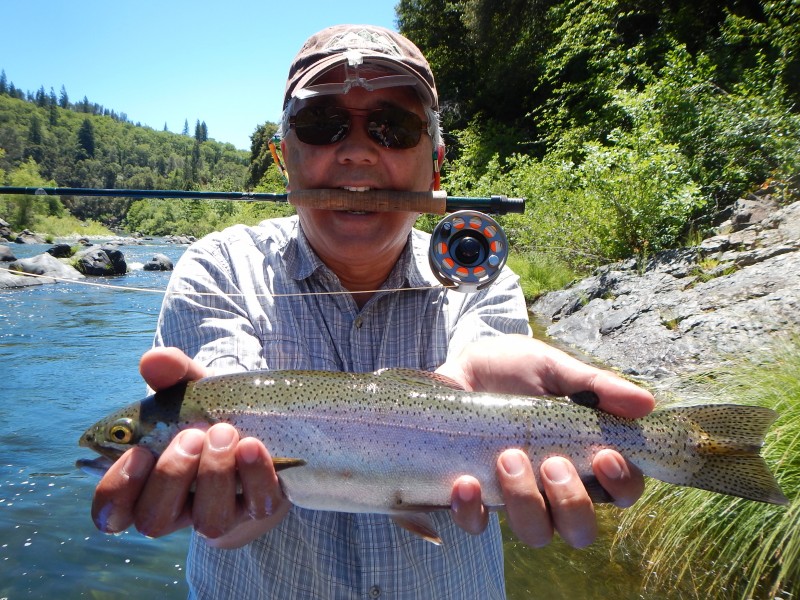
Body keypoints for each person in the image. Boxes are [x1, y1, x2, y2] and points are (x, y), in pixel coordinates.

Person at [91, 24, 655, 598]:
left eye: (393, 127)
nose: (357, 151)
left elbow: (490, 385)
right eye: (321, 125)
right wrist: (234, 499)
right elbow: (232, 428)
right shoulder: (216, 267)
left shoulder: (481, 280)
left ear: (434, 166)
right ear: (285, 158)